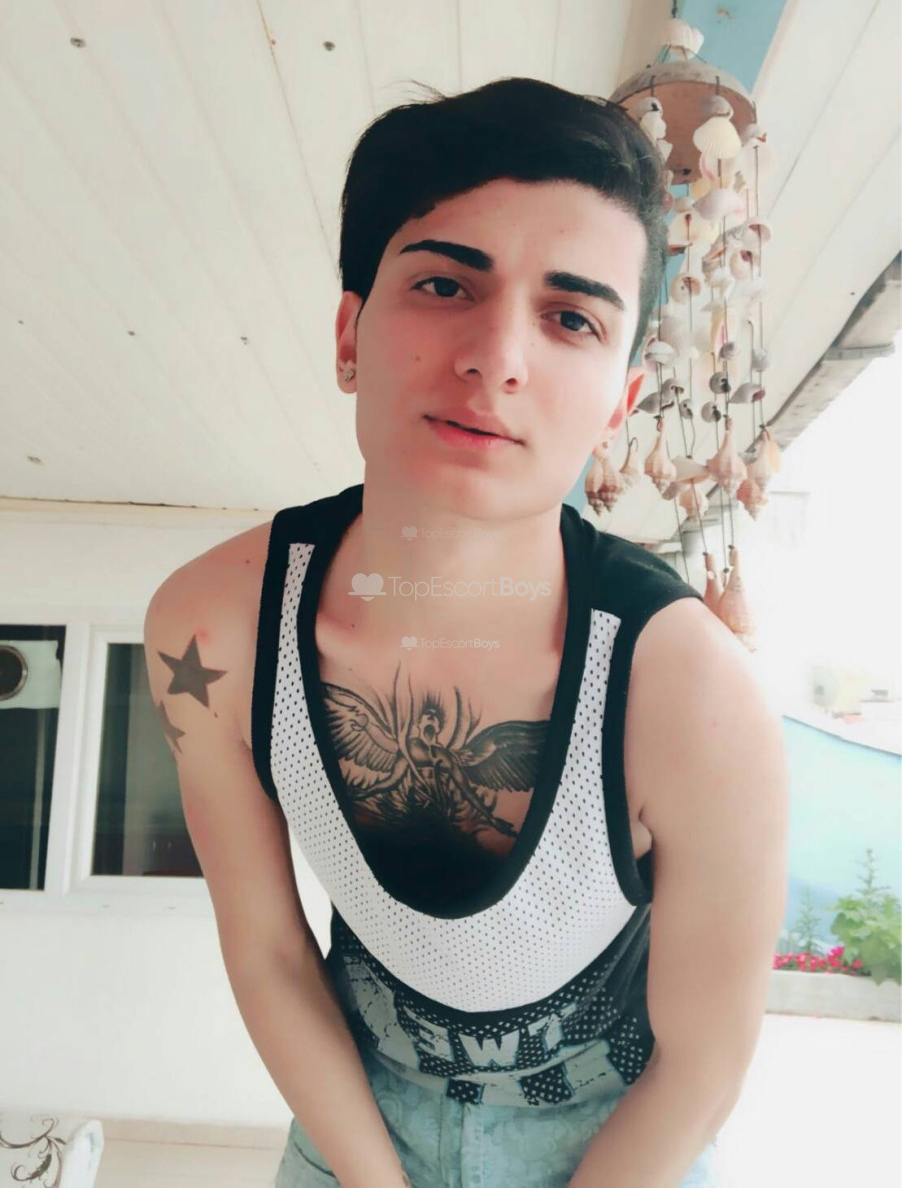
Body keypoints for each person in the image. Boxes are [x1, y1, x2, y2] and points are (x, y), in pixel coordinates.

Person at [143, 77, 789, 1188]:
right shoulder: (215, 631)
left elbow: (703, 1060)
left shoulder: (688, 693)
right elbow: (268, 950)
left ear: (619, 400)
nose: (498, 358)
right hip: (358, 1121)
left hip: (620, 1138)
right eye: (445, 284)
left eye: (571, 318)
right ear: (349, 334)